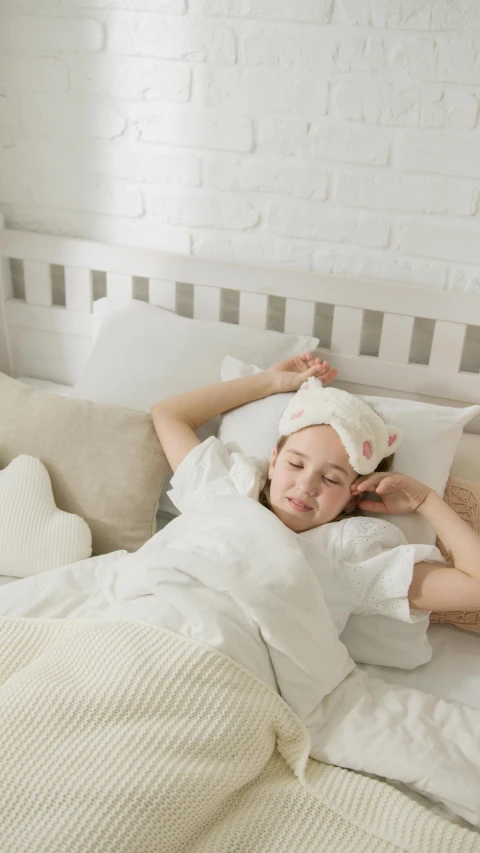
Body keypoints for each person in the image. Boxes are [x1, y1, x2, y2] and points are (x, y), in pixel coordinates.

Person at [151, 351, 480, 624]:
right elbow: (169, 414)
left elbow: (475, 588)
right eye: (296, 464)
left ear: (353, 498)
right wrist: (271, 381)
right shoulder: (225, 491)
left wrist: (426, 501)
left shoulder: (349, 558)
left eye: (331, 478)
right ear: (274, 459)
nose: (306, 486)